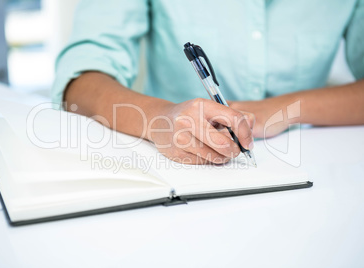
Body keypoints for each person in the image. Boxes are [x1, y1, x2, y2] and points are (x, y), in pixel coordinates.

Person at [51, 0, 364, 164]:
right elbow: (79, 81)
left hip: (312, 166)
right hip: (168, 164)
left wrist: (283, 109)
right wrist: (159, 118)